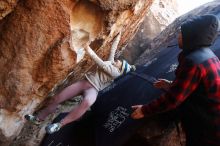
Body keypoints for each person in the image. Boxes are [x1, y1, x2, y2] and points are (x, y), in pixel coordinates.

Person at [131, 14, 220, 146]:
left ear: (192, 37)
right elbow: (199, 88)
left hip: (209, 127)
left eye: (182, 33)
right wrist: (171, 85)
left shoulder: (193, 62)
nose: (178, 35)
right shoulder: (209, 56)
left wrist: (144, 110)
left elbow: (173, 99)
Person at [25, 31, 135, 134]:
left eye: (120, 63)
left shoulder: (115, 72)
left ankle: (59, 125)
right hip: (84, 83)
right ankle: (39, 118)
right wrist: (118, 35)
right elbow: (113, 49)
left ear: (120, 69)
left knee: (87, 102)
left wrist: (87, 48)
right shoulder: (112, 64)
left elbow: (99, 62)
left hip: (93, 89)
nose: (118, 61)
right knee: (57, 98)